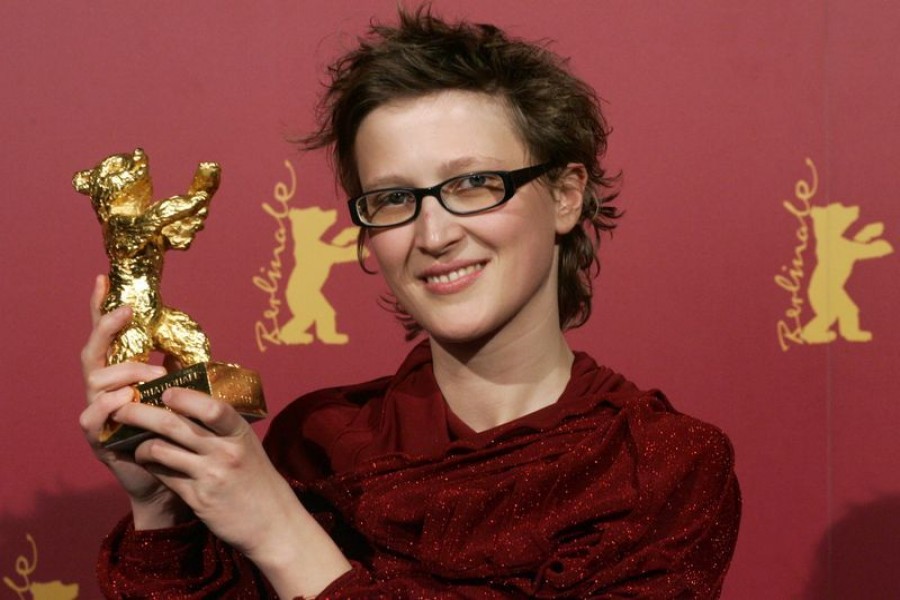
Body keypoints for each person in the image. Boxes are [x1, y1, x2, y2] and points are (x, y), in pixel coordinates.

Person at [80, 8, 740, 599]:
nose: (434, 234)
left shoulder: (659, 464)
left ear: (566, 196)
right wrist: (161, 506)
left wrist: (280, 529)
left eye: (474, 183)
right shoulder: (318, 443)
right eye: (395, 199)